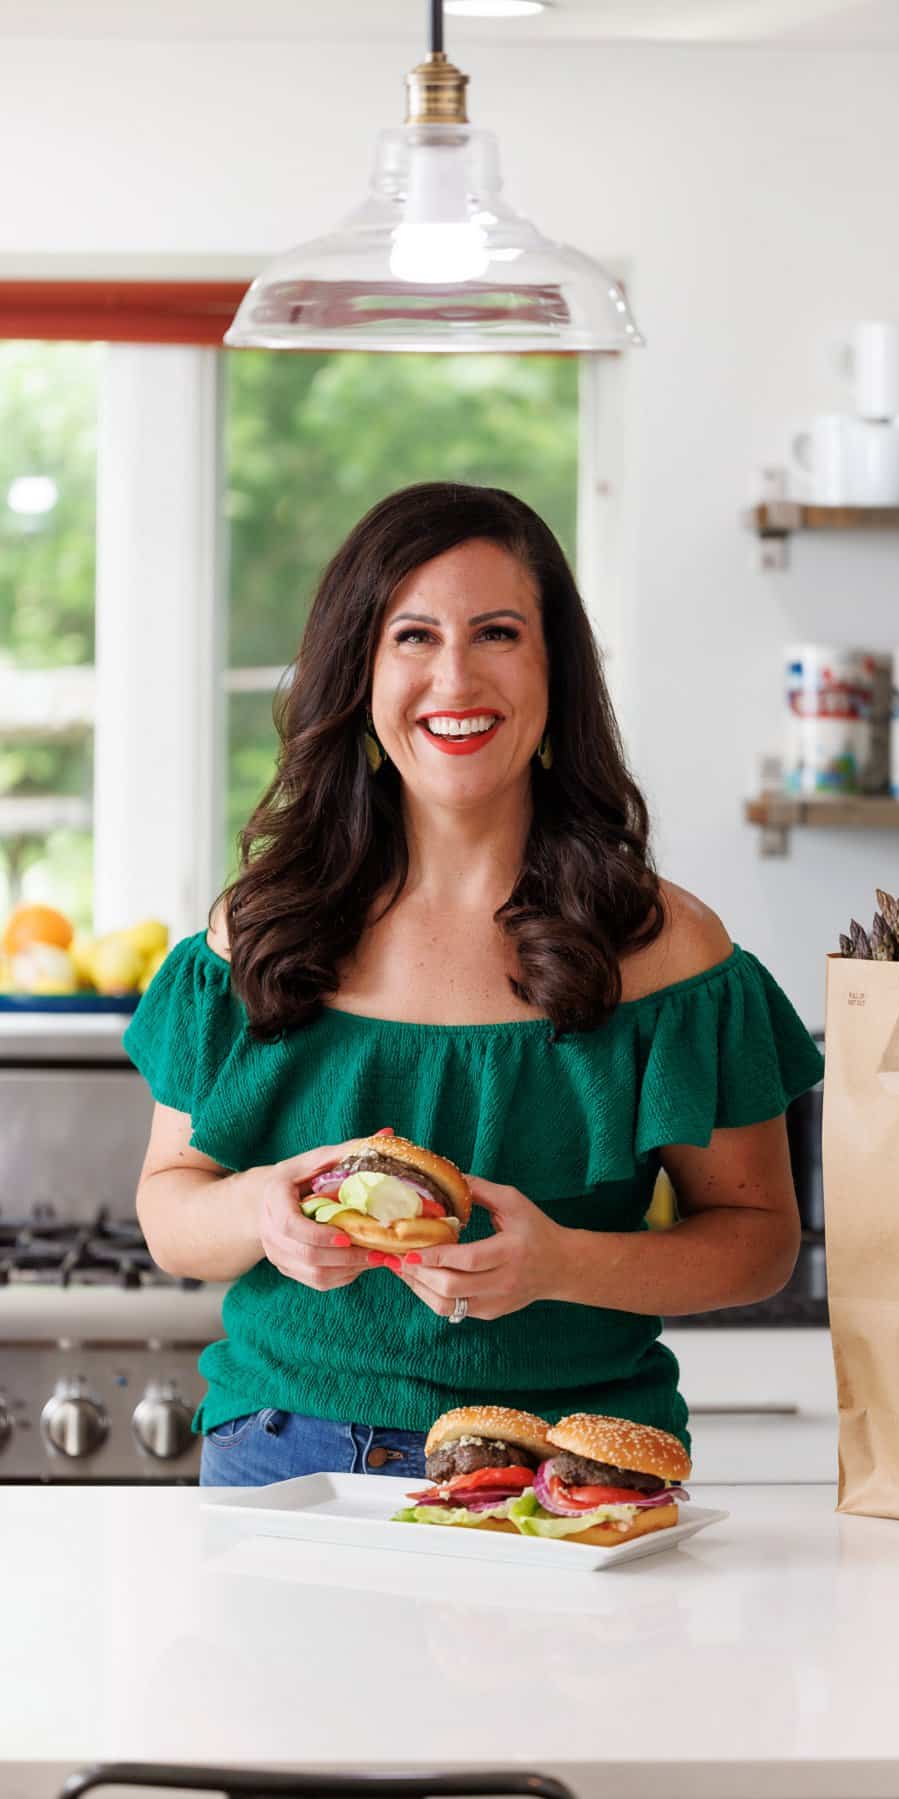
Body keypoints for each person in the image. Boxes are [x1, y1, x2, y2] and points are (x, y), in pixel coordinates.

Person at [125, 482, 824, 1487]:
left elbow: (759, 1241)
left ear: (554, 671)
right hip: (287, 1456)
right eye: (412, 636)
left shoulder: (665, 946)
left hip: (572, 1464)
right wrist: (262, 1215)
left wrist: (561, 1263)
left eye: (496, 632)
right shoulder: (258, 931)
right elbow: (170, 1208)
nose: (454, 676)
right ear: (360, 670)